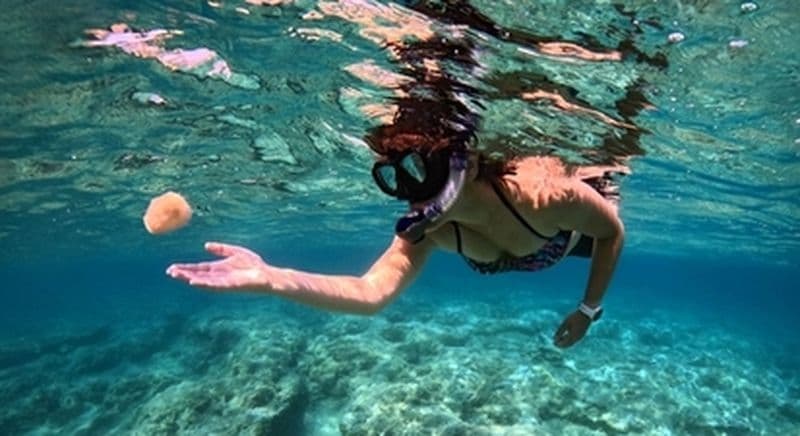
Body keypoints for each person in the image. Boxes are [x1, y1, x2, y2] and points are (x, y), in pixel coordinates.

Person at [167, 0, 638, 348]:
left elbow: (612, 233)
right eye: (396, 177)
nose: (412, 193)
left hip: (568, 240)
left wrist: (587, 310)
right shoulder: (429, 232)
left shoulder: (545, 197)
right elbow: (371, 293)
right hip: (525, 242)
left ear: (467, 160)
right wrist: (271, 278)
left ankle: (641, 63)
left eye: (422, 169)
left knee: (625, 133)